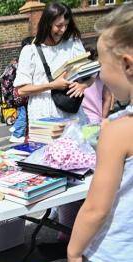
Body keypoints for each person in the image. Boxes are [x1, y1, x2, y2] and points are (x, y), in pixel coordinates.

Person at [67, 5, 133, 262]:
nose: (100, 78)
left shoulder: (120, 128)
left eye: (102, 68)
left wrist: (74, 250)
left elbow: (96, 206)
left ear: (127, 64)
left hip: (114, 253)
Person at [14, 2, 94, 238]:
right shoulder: (30, 50)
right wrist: (52, 85)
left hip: (72, 115)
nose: (62, 29)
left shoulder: (73, 44)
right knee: (52, 169)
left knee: (78, 169)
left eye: (66, 24)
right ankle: (64, 226)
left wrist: (83, 84)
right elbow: (21, 89)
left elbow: (91, 74)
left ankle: (71, 229)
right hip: (45, 118)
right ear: (47, 23)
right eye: (58, 25)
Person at [2, 37, 33, 143]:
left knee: (23, 113)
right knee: (24, 114)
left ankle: (18, 129)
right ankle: (17, 132)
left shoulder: (14, 64)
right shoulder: (22, 64)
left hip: (14, 95)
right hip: (21, 95)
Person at [81, 48, 114, 124]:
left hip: (85, 119)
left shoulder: (101, 77)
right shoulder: (101, 76)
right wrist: (103, 118)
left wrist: (102, 118)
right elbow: (108, 98)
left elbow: (108, 98)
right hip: (94, 119)